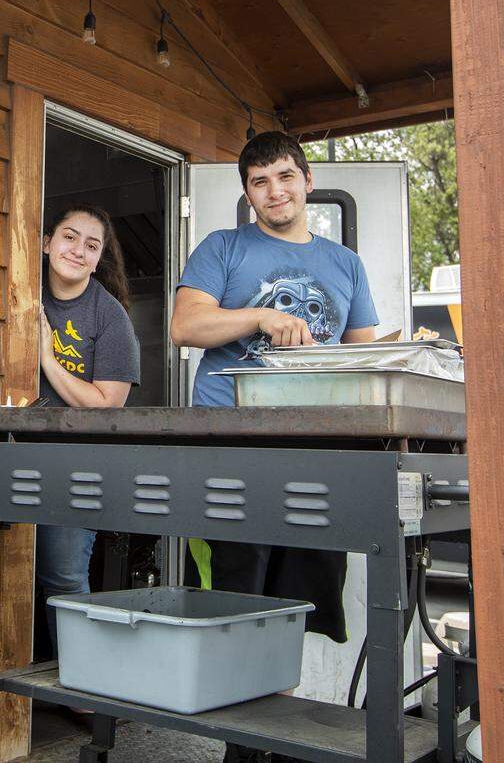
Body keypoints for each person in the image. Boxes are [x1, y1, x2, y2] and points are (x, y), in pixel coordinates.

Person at [171, 131, 379, 763]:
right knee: (240, 601)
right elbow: (186, 325)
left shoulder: (345, 264)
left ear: (308, 181)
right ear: (247, 193)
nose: (275, 191)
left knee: (301, 603)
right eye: (260, 182)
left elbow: (364, 353)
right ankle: (241, 748)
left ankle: (281, 741)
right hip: (233, 449)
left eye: (286, 177)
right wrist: (259, 318)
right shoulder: (223, 247)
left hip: (317, 454)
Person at [36, 203, 141, 653]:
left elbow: (106, 405)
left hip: (77, 467)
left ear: (99, 259)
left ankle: (81, 691)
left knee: (62, 574)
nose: (78, 250)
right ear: (46, 242)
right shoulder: (20, 290)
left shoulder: (109, 316)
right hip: (13, 456)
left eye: (91, 245)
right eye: (70, 237)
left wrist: (47, 360)